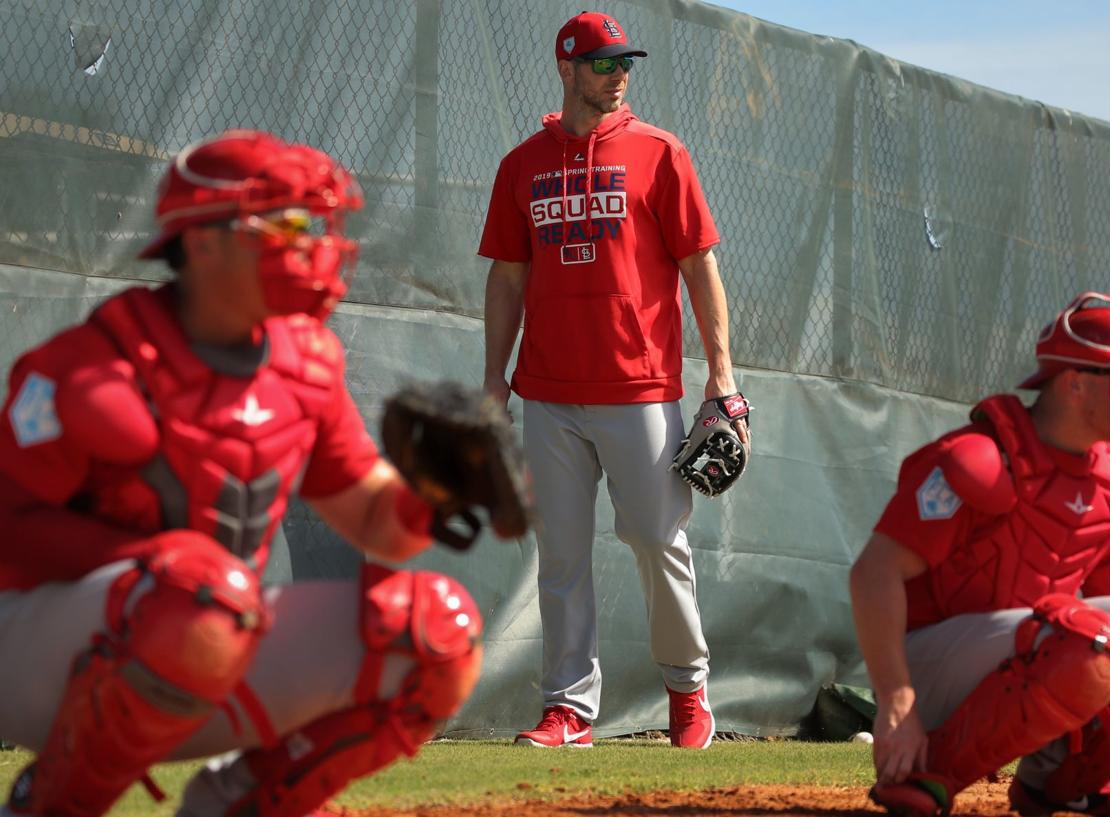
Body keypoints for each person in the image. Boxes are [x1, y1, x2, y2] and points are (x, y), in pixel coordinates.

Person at [0, 129, 485, 815]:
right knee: (201, 592)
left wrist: (432, 490)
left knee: (436, 633)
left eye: (314, 224)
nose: (312, 243)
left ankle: (236, 805)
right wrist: (157, 560)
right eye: (287, 223)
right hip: (34, 656)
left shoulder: (305, 361)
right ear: (202, 241)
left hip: (202, 629)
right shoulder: (93, 365)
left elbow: (378, 523)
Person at [478, 11, 747, 749]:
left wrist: (721, 379)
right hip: (550, 395)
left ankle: (688, 693)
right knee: (561, 554)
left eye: (622, 60)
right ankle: (568, 708)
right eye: (602, 62)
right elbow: (507, 278)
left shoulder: (661, 153)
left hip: (641, 387)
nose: (617, 72)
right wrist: (494, 379)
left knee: (659, 541)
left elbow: (701, 266)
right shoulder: (521, 164)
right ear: (566, 68)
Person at [850, 292, 1110, 817]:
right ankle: (932, 771)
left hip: (1036, 654)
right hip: (924, 672)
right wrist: (897, 702)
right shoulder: (981, 458)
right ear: (1075, 382)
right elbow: (873, 575)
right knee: (1089, 636)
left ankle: (1069, 777)